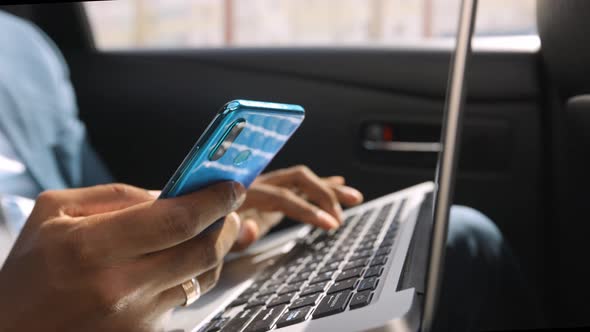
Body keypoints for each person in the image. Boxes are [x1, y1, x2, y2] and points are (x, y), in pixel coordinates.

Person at [0, 10, 535, 332]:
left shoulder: (20, 48)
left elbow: (84, 208)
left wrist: (192, 220)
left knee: (453, 237)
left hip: (160, 308)